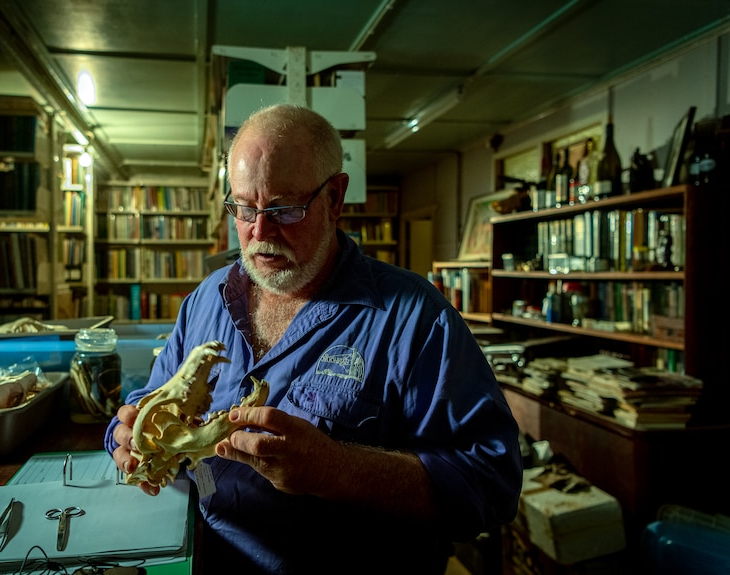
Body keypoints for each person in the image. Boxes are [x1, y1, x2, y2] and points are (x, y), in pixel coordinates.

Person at [105, 103, 523, 573]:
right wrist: (124, 434)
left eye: (284, 208)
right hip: (202, 556)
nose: (259, 232)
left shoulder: (417, 319)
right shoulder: (205, 300)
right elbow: (150, 398)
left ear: (335, 198)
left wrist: (334, 469)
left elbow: (490, 485)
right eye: (244, 207)